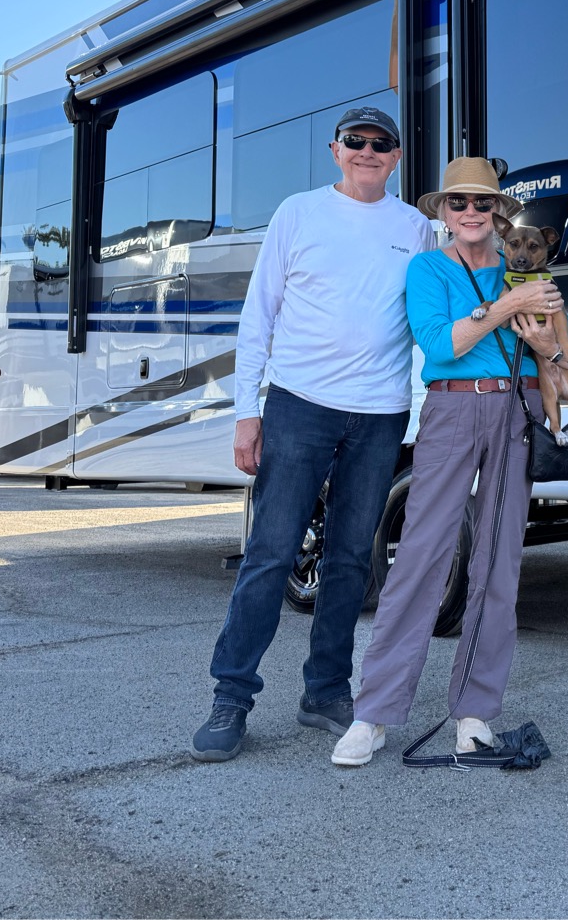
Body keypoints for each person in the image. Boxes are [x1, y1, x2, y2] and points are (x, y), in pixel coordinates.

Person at [191, 106, 437, 762]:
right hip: (298, 406)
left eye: (380, 143)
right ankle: (231, 697)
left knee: (351, 558)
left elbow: (432, 313)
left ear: (396, 158)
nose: (366, 151)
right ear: (335, 150)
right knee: (271, 553)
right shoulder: (297, 213)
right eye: (355, 141)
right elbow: (259, 315)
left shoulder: (414, 227)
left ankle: (326, 691)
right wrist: (247, 412)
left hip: (380, 412)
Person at [330, 157, 568, 767]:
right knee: (421, 555)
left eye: (482, 203)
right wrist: (506, 308)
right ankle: (374, 712)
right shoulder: (428, 268)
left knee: (499, 561)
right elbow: (441, 344)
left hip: (519, 407)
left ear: (499, 212)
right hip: (451, 408)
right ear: (443, 212)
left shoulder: (529, 270)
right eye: (458, 202)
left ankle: (475, 712)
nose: (471, 212)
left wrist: (548, 343)